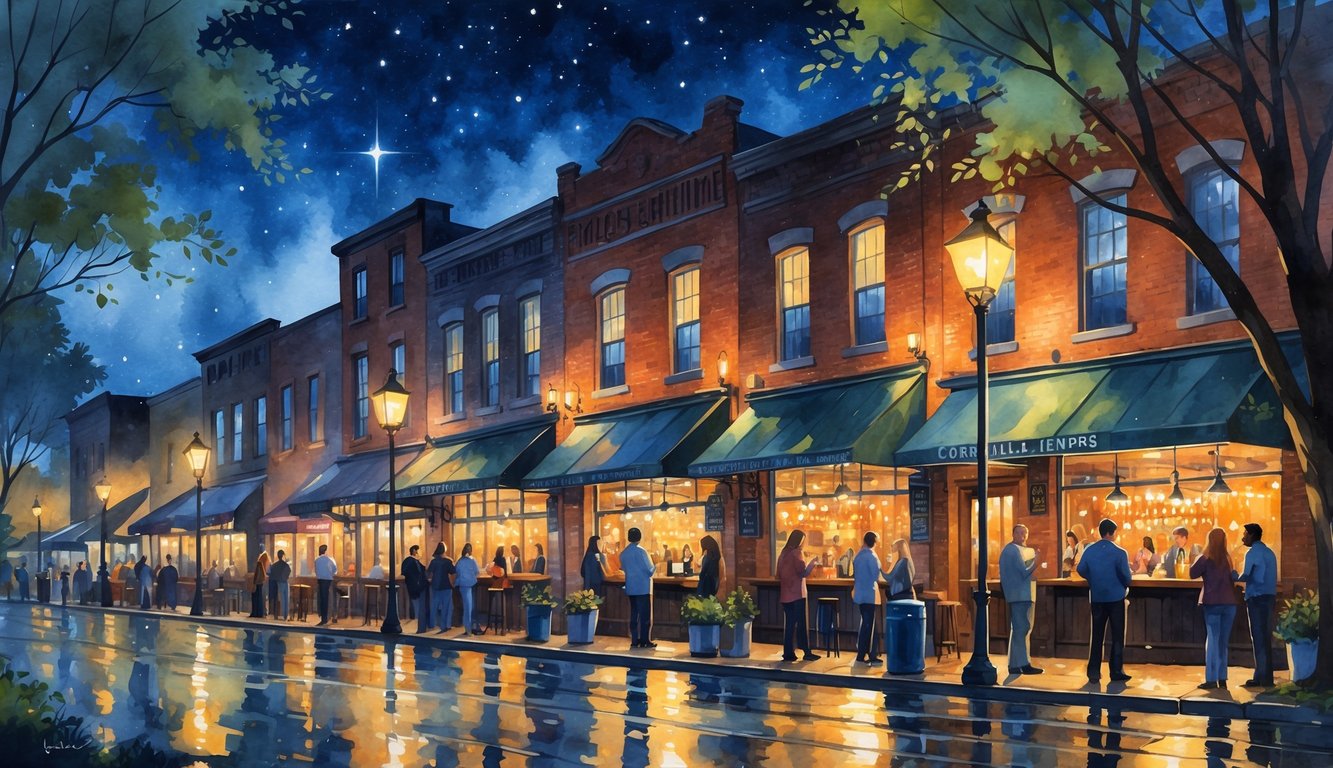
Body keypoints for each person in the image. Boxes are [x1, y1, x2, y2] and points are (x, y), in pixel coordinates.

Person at [1076, 518, 1133, 683]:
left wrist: (1093, 578)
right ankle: (1116, 671)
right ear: (1112, 533)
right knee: (1117, 636)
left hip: (1097, 597)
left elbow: (1080, 569)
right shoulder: (1120, 552)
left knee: (1097, 635)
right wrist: (1121, 585)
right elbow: (1127, 578)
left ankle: (1093, 671)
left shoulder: (1089, 549)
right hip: (1116, 597)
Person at [1190, 526, 1238, 689]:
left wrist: (1198, 556)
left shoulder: (1205, 558)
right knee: (1223, 642)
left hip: (1212, 603)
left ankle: (1211, 679)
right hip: (1229, 604)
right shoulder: (1228, 558)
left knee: (1212, 640)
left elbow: (1192, 573)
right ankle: (1222, 677)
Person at [1234, 523, 1277, 688]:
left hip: (1256, 598)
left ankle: (1260, 678)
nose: (1243, 537)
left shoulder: (1251, 553)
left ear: (1252, 535)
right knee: (1266, 638)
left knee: (1258, 638)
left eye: (1245, 534)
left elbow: (1245, 575)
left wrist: (1233, 575)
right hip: (1269, 598)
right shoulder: (1269, 553)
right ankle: (1266, 677)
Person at [999, 524, 1043, 675]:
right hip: (1019, 594)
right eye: (1019, 532)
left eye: (1025, 533)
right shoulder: (1011, 550)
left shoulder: (1021, 550)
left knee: (1022, 629)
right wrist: (1036, 561)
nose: (1022, 535)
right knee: (1021, 629)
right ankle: (1021, 664)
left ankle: (1018, 663)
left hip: (1026, 594)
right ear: (1013, 534)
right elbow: (1024, 572)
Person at [777, 529, 821, 662]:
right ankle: (806, 652)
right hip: (797, 594)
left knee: (790, 624)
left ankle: (788, 653)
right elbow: (803, 572)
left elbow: (778, 573)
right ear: (799, 540)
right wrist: (813, 562)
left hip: (785, 595)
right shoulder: (797, 553)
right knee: (801, 624)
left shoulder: (783, 553)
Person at [852, 532, 893, 664]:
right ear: (874, 543)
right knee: (869, 624)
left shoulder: (858, 556)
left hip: (859, 594)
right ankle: (868, 654)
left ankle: (865, 653)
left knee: (866, 623)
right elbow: (876, 576)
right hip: (869, 593)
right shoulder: (872, 556)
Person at [621, 527, 656, 648]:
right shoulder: (642, 551)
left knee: (634, 614)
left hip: (631, 587)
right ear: (640, 537)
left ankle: (634, 640)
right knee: (645, 616)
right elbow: (649, 571)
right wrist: (655, 565)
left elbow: (624, 569)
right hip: (643, 587)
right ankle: (645, 640)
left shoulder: (624, 553)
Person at [428, 542, 456, 633]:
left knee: (434, 606)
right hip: (446, 586)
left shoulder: (433, 561)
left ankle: (432, 624)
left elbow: (430, 574)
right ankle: (444, 626)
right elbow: (453, 573)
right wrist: (453, 584)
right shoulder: (448, 561)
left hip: (435, 586)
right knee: (446, 607)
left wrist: (431, 581)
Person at [403, 544, 430, 633]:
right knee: (419, 607)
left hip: (414, 587)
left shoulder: (409, 561)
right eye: (418, 550)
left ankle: (420, 625)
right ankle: (420, 625)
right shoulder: (413, 561)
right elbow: (419, 573)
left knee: (417, 606)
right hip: (418, 587)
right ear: (415, 551)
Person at [455, 543, 479, 634]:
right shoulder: (472, 560)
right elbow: (477, 571)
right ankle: (468, 630)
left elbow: (456, 571)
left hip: (462, 585)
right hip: (470, 585)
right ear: (470, 551)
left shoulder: (460, 561)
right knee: (469, 608)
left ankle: (467, 628)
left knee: (466, 607)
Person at [314, 544, 337, 626]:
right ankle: (326, 618)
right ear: (326, 551)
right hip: (328, 582)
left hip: (320, 581)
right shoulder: (330, 560)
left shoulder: (317, 560)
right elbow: (335, 570)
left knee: (321, 600)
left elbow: (316, 571)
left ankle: (323, 618)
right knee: (327, 600)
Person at [270, 550, 292, 620]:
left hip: (278, 583)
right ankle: (285, 614)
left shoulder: (274, 565)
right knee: (286, 599)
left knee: (281, 599)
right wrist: (285, 577)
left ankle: (281, 614)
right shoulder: (285, 565)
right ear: (283, 555)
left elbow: (272, 574)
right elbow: (289, 571)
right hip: (285, 582)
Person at [249, 551, 269, 618]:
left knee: (255, 598)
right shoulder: (265, 565)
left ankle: (255, 612)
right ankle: (260, 613)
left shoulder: (259, 563)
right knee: (260, 598)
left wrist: (254, 583)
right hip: (261, 583)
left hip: (257, 583)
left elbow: (256, 575)